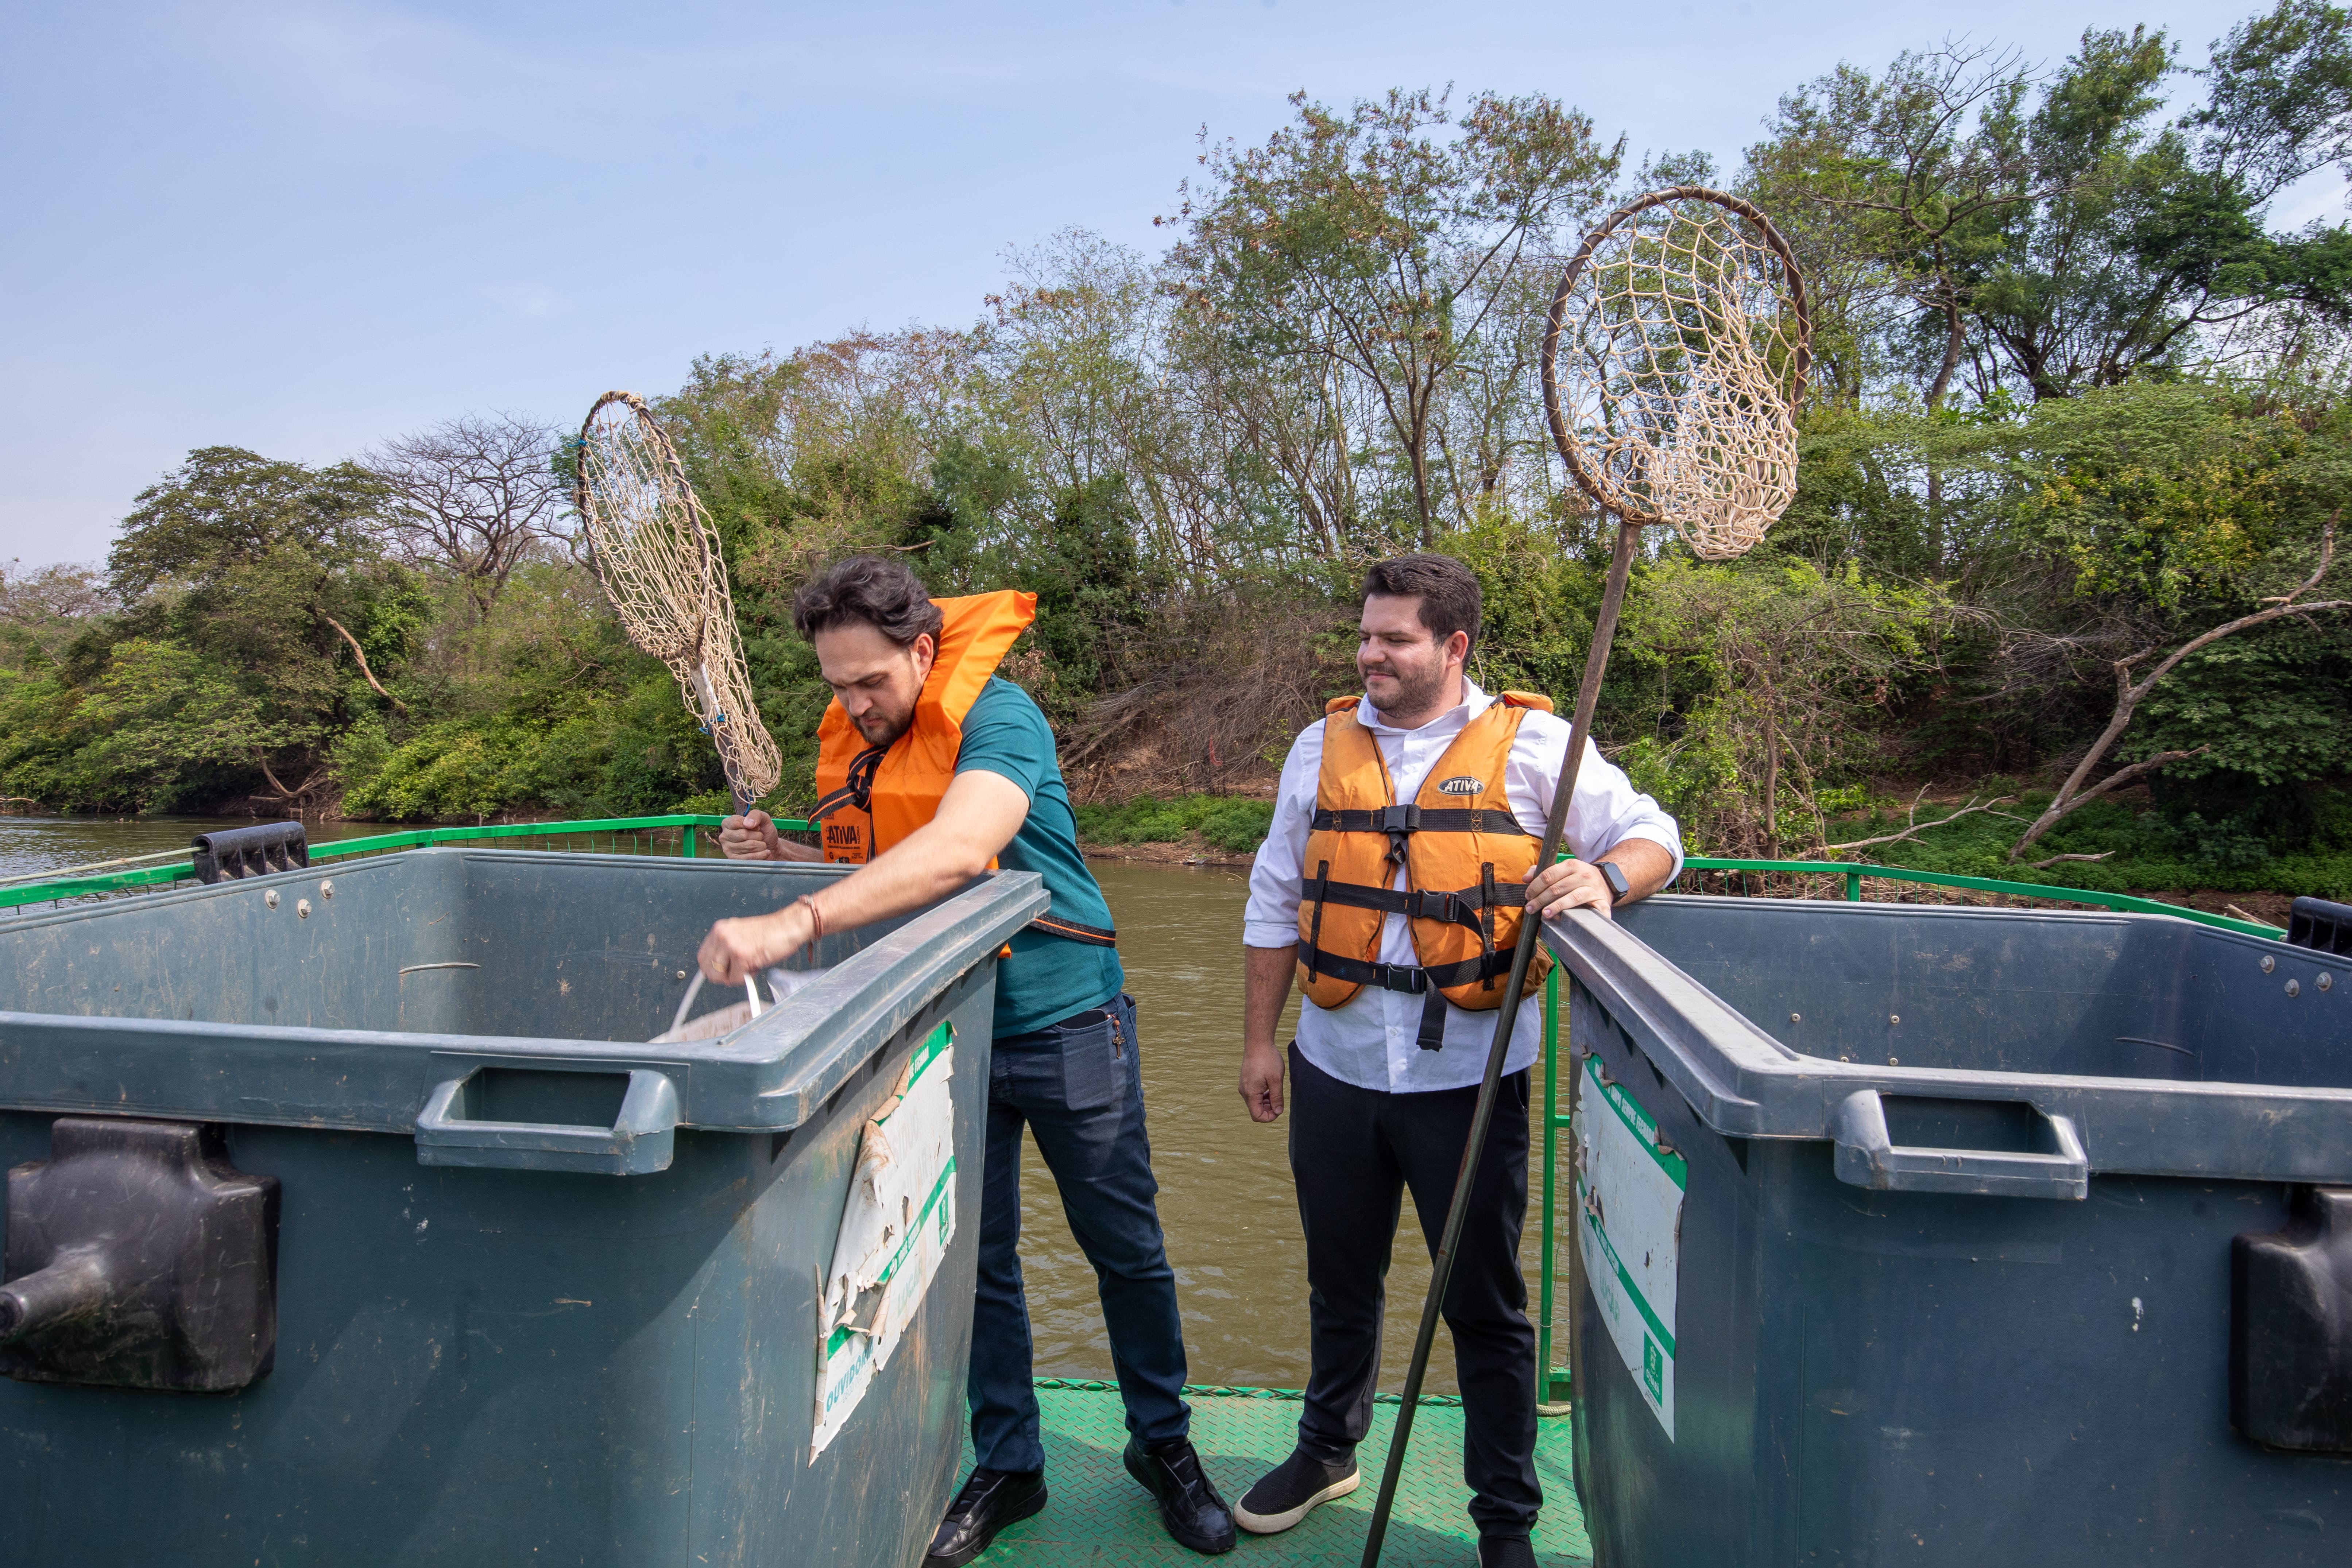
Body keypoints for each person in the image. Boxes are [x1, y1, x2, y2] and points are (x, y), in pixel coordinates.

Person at [696, 556, 1235, 1565]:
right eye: (837, 686)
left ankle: (1164, 1445)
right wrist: (787, 860)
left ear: (926, 651)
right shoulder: (864, 738)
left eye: (873, 682)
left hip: (1065, 1021)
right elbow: (878, 863)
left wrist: (794, 919)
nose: (856, 705)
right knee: (975, 1257)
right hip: (946, 1026)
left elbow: (956, 847)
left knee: (1125, 1247)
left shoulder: (1002, 719)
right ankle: (1011, 1459)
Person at [1233, 553, 1682, 1568]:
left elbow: (1656, 833)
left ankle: (1504, 1519)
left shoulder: (1539, 749)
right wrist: (1261, 1040)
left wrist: (1606, 876)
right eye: (1366, 634)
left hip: (1470, 1085)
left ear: (1454, 644)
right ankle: (1326, 1449)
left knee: (1484, 1303)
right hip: (1335, 1065)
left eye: (1395, 638)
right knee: (1339, 1278)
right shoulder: (1319, 745)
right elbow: (1273, 899)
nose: (1371, 654)